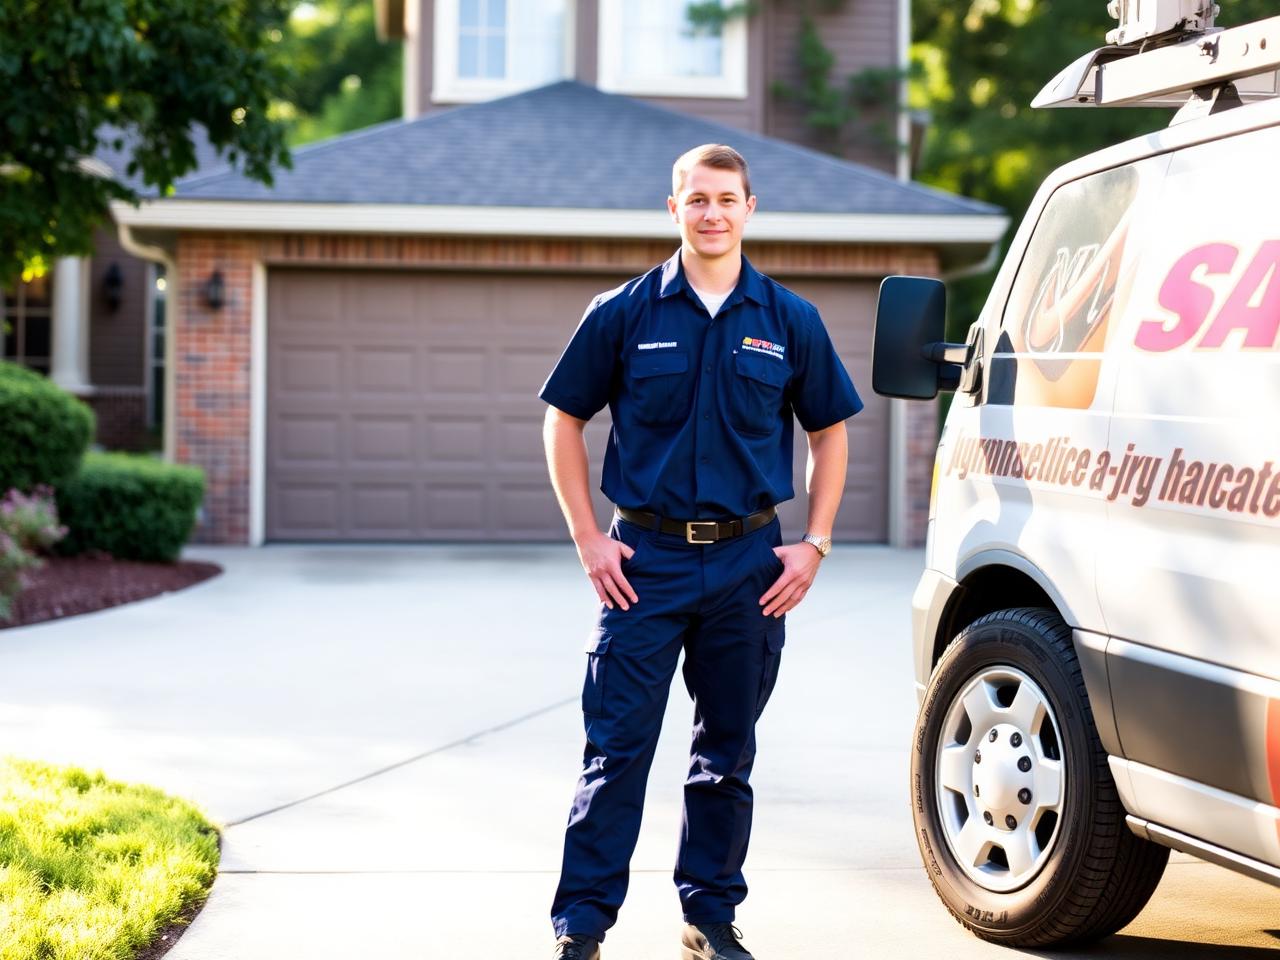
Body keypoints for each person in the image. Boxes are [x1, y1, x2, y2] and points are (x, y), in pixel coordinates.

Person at [539, 143, 863, 960]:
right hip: (642, 565)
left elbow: (830, 432)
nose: (712, 213)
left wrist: (814, 544)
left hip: (749, 569)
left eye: (727, 198)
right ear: (672, 207)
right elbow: (563, 420)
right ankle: (581, 926)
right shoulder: (623, 312)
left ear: (750, 208)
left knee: (726, 755)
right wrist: (588, 538)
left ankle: (709, 917)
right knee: (616, 752)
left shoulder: (789, 319)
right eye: (697, 199)